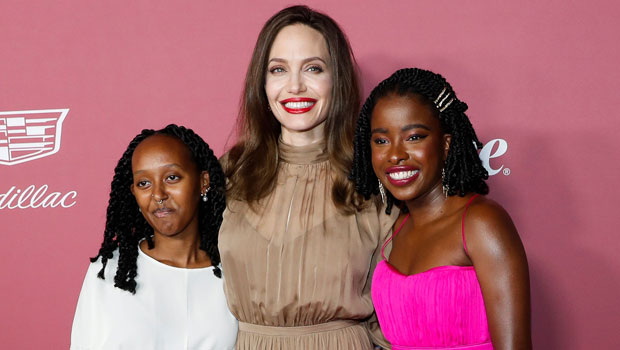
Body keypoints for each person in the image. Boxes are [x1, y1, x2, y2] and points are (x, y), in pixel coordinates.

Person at [218, 5, 397, 350]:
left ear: (338, 79)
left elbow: (394, 314)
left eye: (313, 68)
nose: (295, 86)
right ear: (262, 81)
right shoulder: (230, 173)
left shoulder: (372, 179)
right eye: (278, 69)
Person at [351, 68, 532, 350]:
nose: (396, 154)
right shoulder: (397, 227)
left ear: (446, 144)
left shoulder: (481, 222)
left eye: (414, 137)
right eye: (381, 141)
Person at [71, 124, 238, 350]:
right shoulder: (109, 272)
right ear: (134, 193)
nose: (158, 194)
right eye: (144, 183)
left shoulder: (236, 274)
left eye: (171, 177)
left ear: (203, 181)